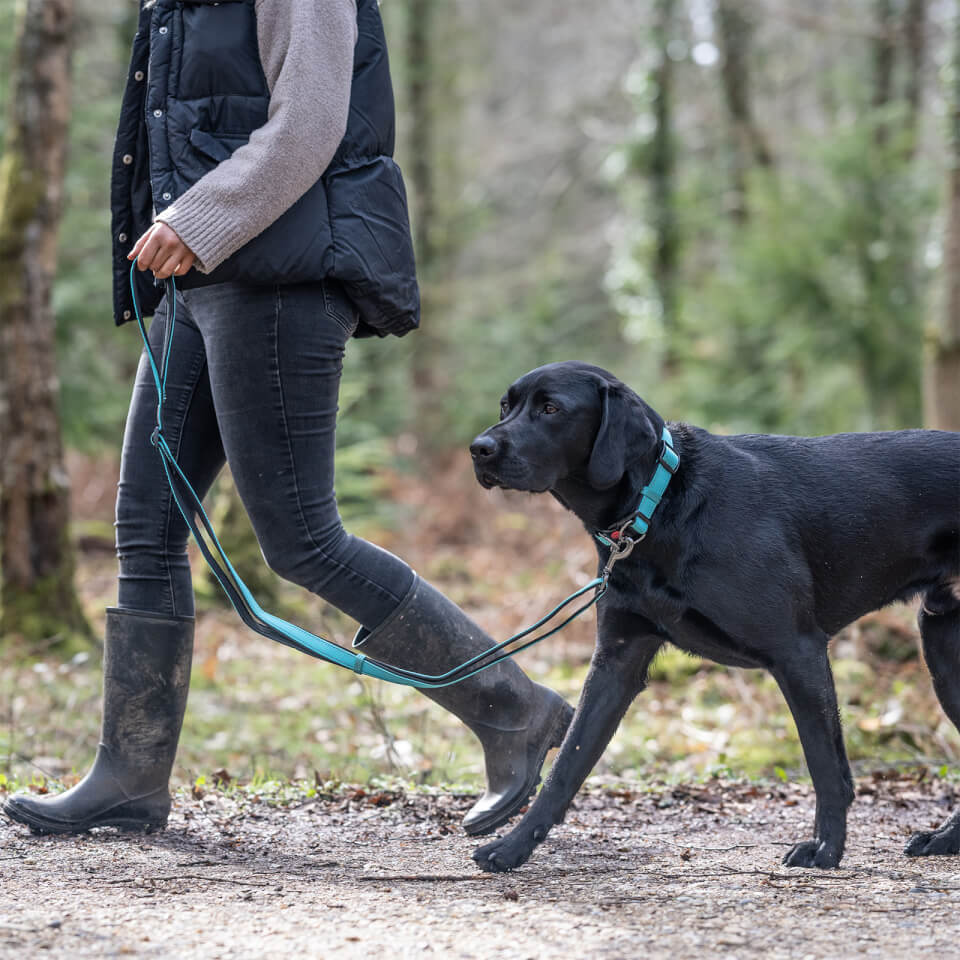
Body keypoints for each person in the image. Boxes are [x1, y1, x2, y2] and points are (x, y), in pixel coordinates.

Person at [3, 0, 571, 838]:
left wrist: (193, 219)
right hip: (201, 280)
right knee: (148, 525)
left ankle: (512, 710)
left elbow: (309, 123)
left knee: (301, 537)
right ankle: (128, 776)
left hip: (277, 278)